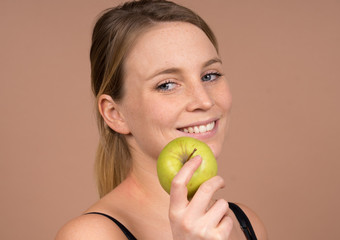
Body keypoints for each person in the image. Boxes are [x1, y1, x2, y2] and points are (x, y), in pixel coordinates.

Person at [56, 0, 267, 239]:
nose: (204, 101)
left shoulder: (245, 225)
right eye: (167, 84)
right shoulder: (90, 236)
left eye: (210, 75)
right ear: (115, 114)